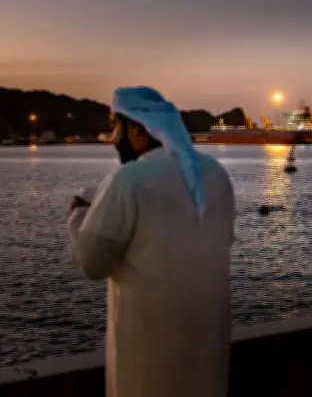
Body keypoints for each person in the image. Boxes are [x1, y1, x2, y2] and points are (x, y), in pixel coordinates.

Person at [67, 86, 236, 397]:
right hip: (207, 353)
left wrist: (78, 216)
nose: (113, 139)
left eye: (115, 127)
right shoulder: (215, 174)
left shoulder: (128, 181)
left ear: (137, 128)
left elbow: (92, 263)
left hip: (146, 358)